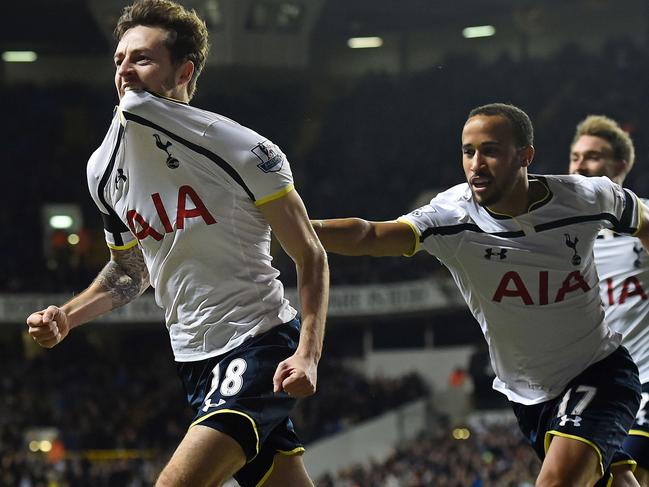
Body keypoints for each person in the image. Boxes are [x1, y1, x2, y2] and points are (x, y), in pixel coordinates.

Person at [25, 1, 329, 486]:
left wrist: (308, 353)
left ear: (184, 70)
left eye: (142, 59)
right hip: (192, 359)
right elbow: (129, 271)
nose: (125, 71)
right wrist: (69, 315)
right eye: (119, 59)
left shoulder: (242, 147)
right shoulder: (102, 168)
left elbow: (310, 254)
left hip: (259, 344)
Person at [312, 103, 649, 486]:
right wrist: (295, 226)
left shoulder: (585, 198)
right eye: (468, 151)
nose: (476, 163)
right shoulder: (452, 216)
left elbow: (644, 223)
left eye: (490, 150)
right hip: (528, 397)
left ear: (525, 155)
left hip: (599, 372)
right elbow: (370, 235)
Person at [570, 115, 649, 486]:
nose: (580, 165)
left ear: (620, 166)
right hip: (594, 385)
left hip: (645, 379)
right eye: (575, 157)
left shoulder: (645, 219)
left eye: (593, 156)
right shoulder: (559, 236)